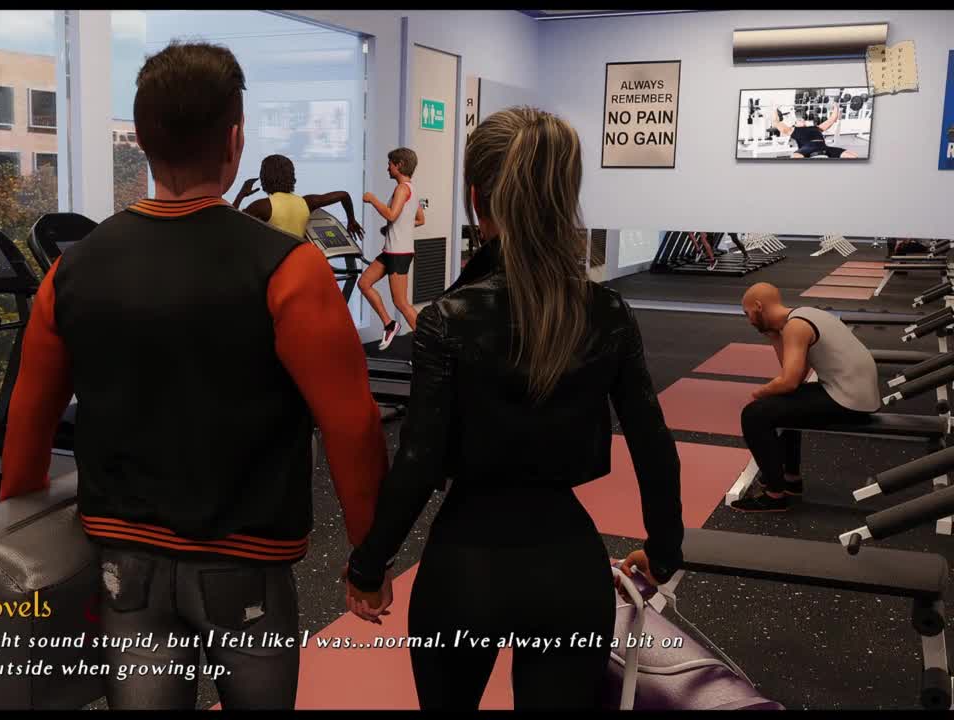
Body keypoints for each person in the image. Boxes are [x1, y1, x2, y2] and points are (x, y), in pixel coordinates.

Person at [0, 41, 390, 710]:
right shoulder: (289, 268)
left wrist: (17, 541)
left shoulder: (72, 269)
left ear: (141, 139)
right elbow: (352, 425)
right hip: (246, 563)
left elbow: (27, 424)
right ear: (235, 140)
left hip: (124, 559)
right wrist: (367, 556)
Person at [342, 107, 685, 710]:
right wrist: (663, 554)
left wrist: (369, 568)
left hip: (465, 569)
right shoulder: (607, 312)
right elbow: (654, 444)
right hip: (568, 568)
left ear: (476, 198)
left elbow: (419, 461)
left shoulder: (447, 319)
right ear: (562, 196)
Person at [733, 282, 880, 512]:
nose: (749, 320)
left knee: (753, 415)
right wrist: (774, 337)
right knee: (781, 403)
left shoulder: (796, 326)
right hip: (856, 396)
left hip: (849, 401)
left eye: (747, 313)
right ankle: (790, 479)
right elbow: (796, 377)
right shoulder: (803, 315)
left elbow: (789, 381)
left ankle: (774, 494)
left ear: (759, 307)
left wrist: (757, 394)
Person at [358, 148, 425, 350]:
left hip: (399, 253)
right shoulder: (411, 188)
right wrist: (392, 228)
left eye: (390, 164)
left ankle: (428, 348)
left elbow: (391, 214)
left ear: (399, 165)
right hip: (391, 251)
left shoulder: (402, 189)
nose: (387, 168)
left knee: (401, 303)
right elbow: (420, 219)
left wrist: (372, 199)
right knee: (364, 283)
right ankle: (389, 324)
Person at [231, 154, 365, 242]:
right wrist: (351, 220)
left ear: (264, 177)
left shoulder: (261, 206)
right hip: (297, 261)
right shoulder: (307, 202)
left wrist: (240, 195)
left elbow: (231, 225)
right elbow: (343, 195)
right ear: (291, 176)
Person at [771, 104, 858, 159]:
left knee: (852, 156)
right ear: (795, 124)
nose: (801, 119)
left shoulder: (816, 127)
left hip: (824, 147)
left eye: (802, 119)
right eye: (798, 120)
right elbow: (776, 122)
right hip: (808, 147)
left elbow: (832, 119)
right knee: (796, 156)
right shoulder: (793, 130)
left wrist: (836, 106)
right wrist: (775, 109)